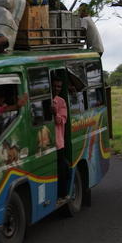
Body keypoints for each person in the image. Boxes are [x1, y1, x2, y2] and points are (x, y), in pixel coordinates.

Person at [50, 76, 69, 204]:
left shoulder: (60, 102)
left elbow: (62, 120)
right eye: (55, 86)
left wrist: (55, 113)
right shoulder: (45, 100)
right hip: (45, 142)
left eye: (59, 86)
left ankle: (62, 195)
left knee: (60, 170)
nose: (57, 88)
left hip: (57, 143)